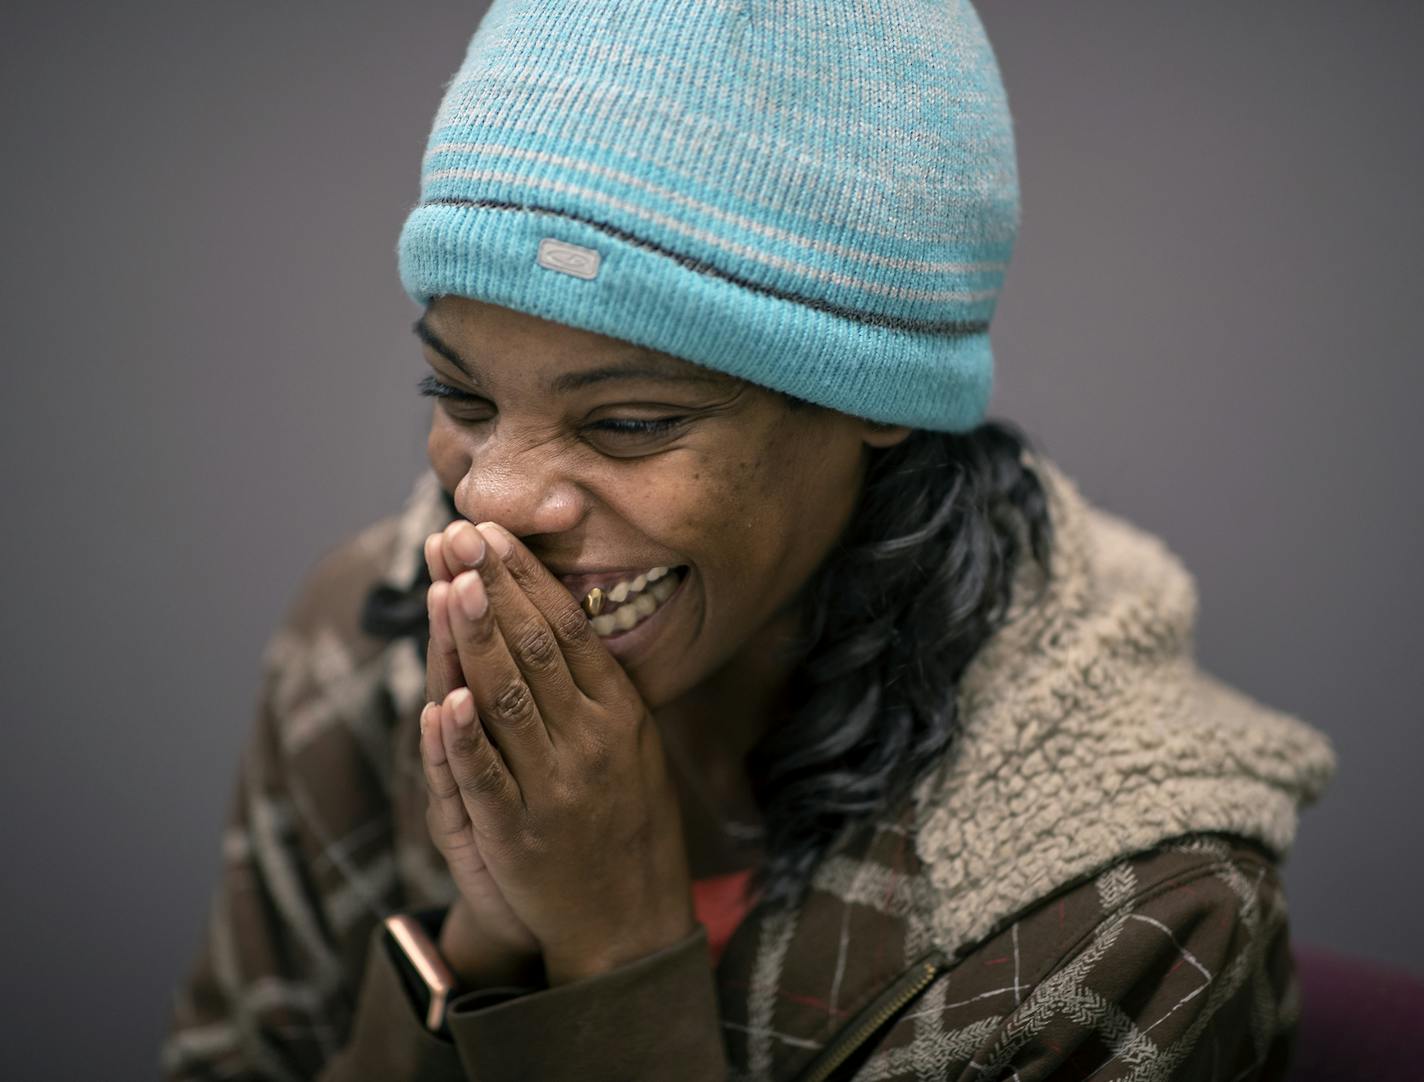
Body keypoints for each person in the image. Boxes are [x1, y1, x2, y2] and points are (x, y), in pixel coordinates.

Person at [160, 2, 1338, 1079]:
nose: (494, 498)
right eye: (462, 397)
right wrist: (485, 941)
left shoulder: (1129, 913)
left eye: (627, 422)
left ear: (876, 399)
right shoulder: (359, 662)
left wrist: (614, 953)